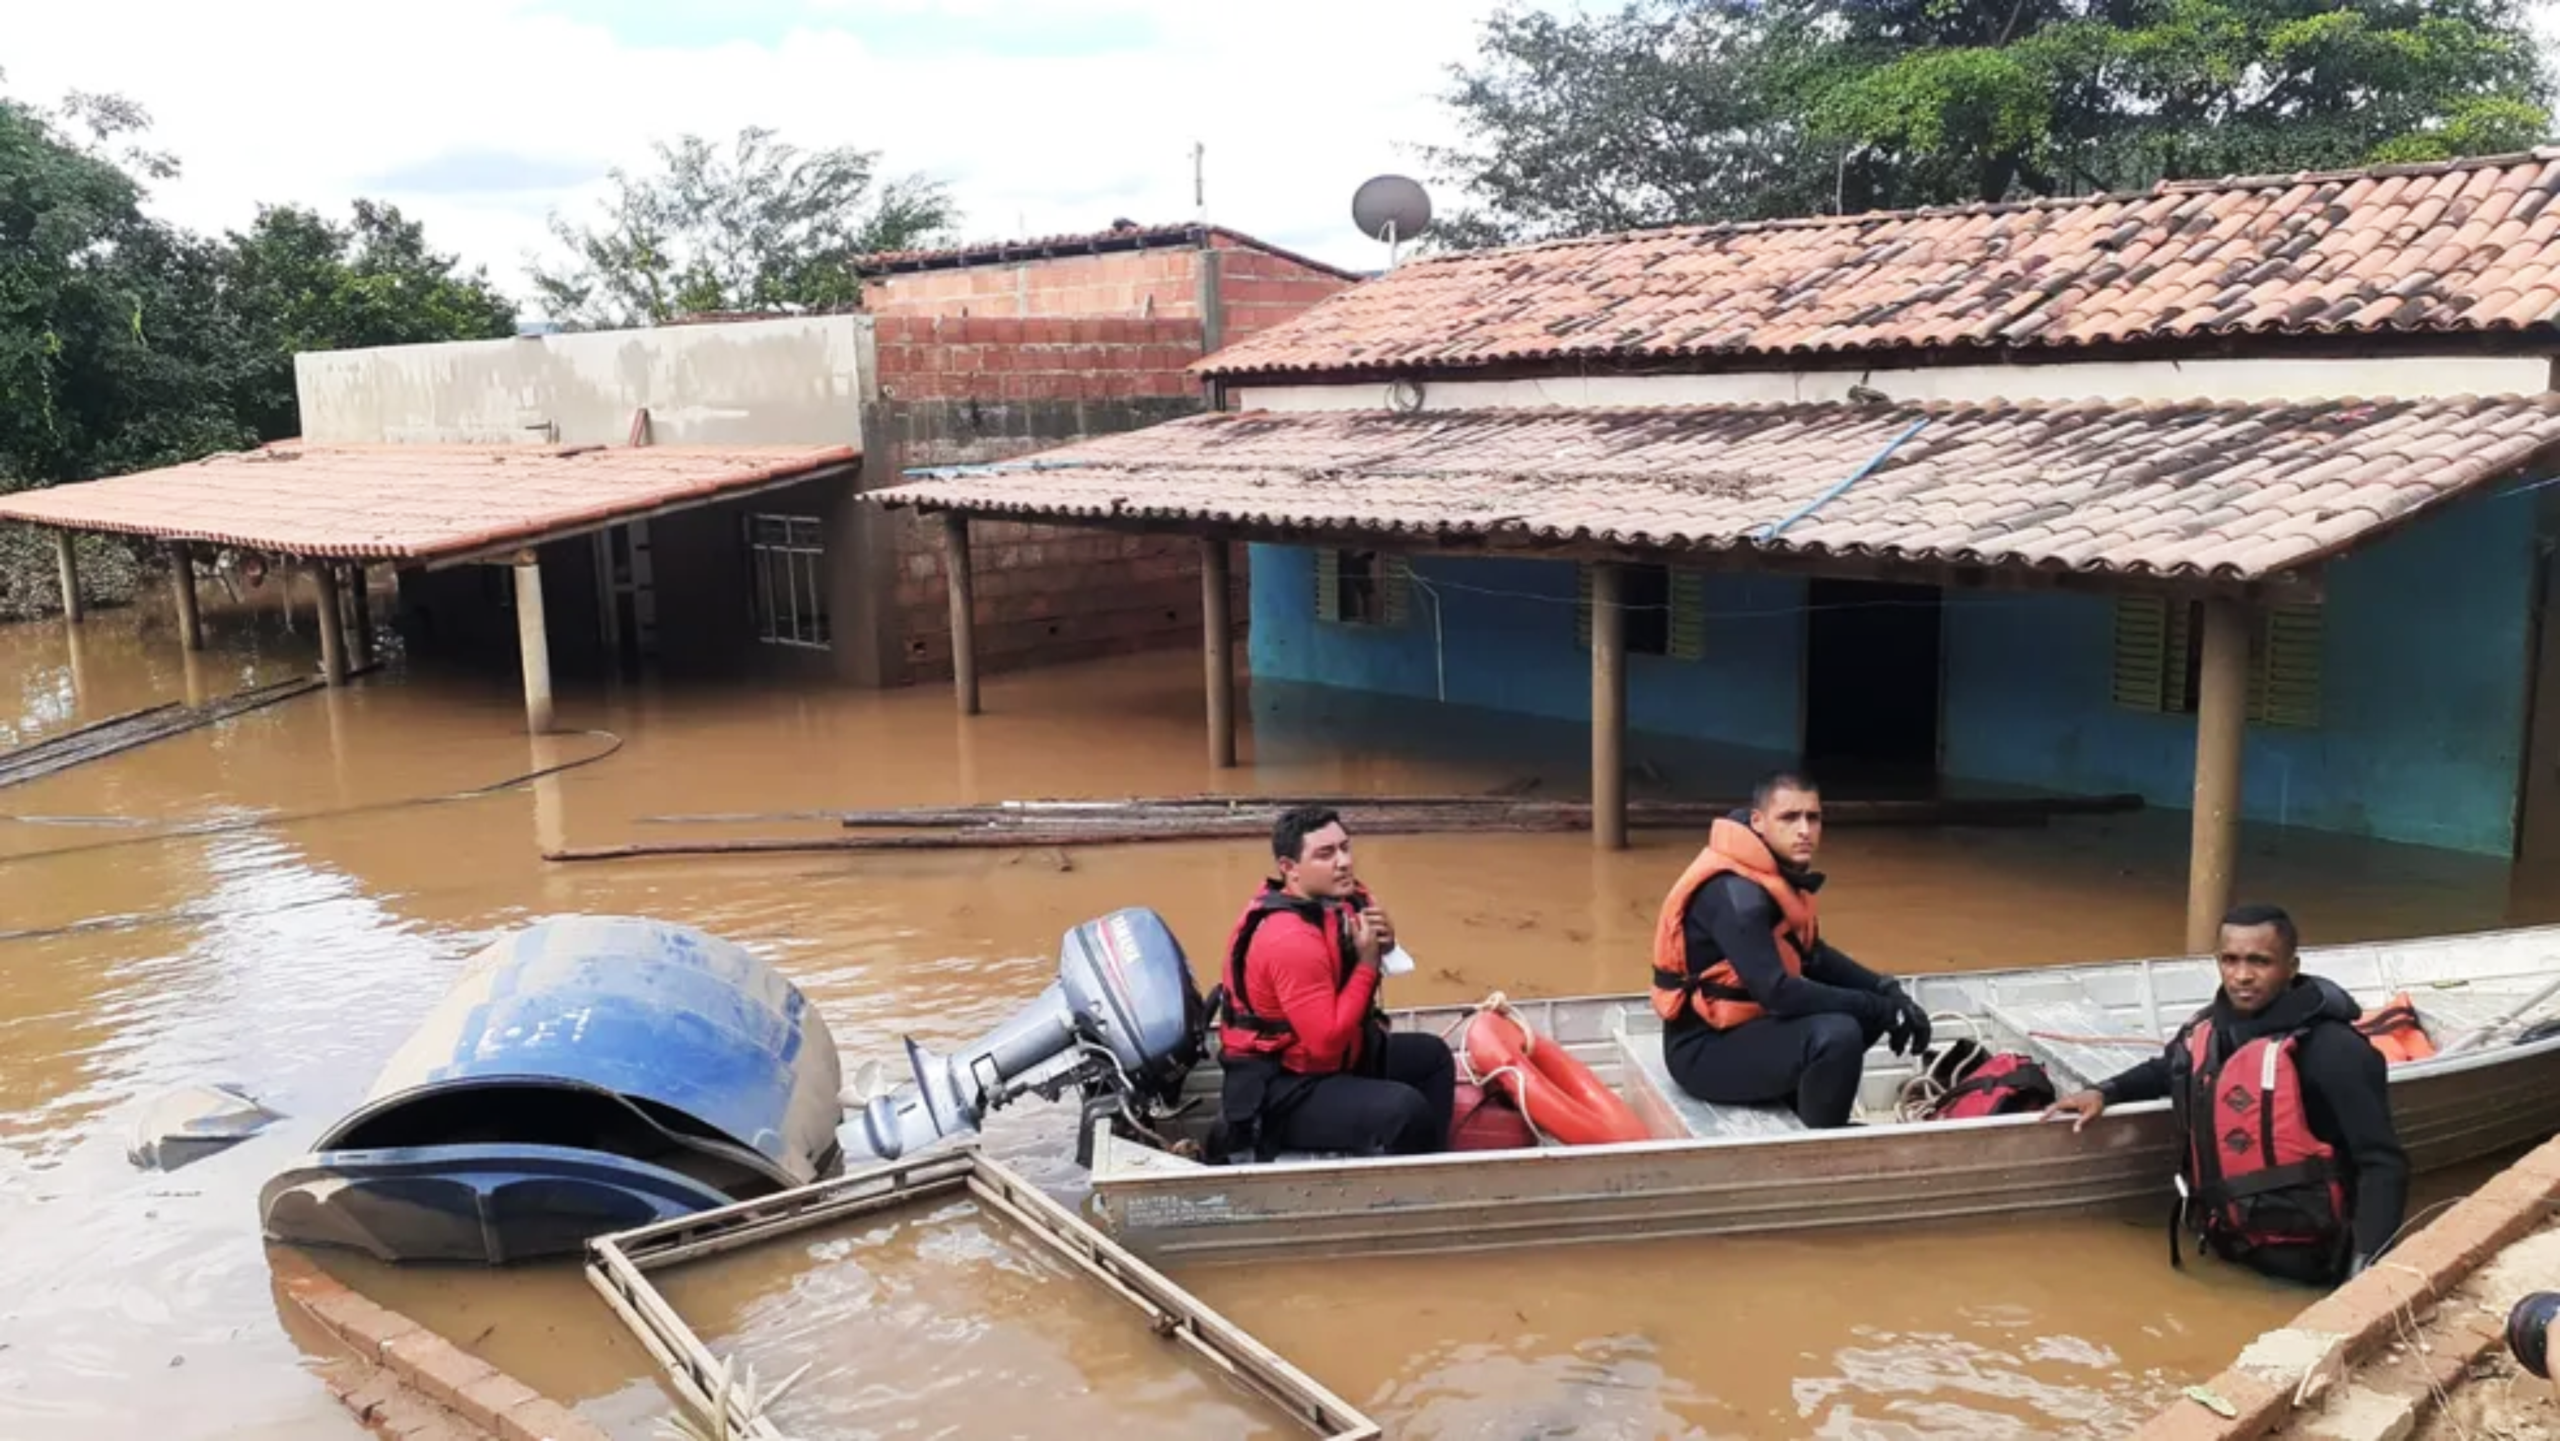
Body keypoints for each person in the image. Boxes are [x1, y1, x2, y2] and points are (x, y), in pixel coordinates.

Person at [2045, 903, 2408, 1287]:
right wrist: (2104, 1091)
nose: (2242, 976)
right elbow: (2167, 1069)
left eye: (2259, 961)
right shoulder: (2207, 1030)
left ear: (2292, 967)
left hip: (2310, 1264)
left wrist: (2366, 1269)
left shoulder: (2334, 1051)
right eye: (2229, 960)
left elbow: (2383, 1164)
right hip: (2219, 1245)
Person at [1650, 771, 1932, 1128]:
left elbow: (1814, 956)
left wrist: (1889, 993)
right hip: (1703, 1050)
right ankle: (1823, 1146)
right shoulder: (1737, 896)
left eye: (1812, 817)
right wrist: (1876, 1007)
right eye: (1789, 817)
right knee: (1838, 1034)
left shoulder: (1776, 873)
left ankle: (1806, 1109)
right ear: (1758, 822)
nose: (1804, 830)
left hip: (1751, 1029)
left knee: (1865, 1011)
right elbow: (1777, 993)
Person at [1212, 805, 1455, 1161]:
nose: (1343, 862)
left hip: (1331, 1061)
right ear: (1289, 868)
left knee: (1432, 1057)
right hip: (1282, 1087)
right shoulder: (1288, 939)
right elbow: (1325, 1041)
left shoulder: (1343, 900)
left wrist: (1385, 944)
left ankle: (1435, 1164)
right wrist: (1368, 963)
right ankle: (1407, 1195)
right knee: (1405, 1109)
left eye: (1345, 847)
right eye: (1325, 854)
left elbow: (1361, 966)